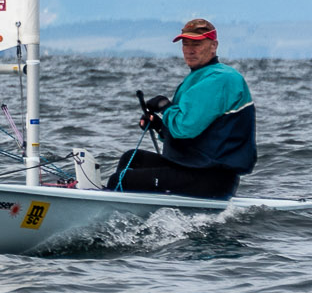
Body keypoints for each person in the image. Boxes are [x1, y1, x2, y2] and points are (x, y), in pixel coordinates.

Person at [109, 16, 256, 199]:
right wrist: (160, 126)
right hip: (195, 167)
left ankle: (108, 207)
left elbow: (185, 127)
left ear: (214, 45)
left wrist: (165, 106)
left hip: (210, 178)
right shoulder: (202, 76)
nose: (190, 50)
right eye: (186, 44)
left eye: (197, 43)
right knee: (132, 158)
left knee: (120, 180)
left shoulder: (219, 79)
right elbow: (195, 135)